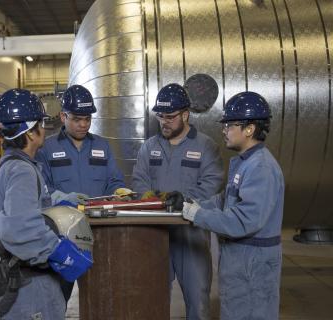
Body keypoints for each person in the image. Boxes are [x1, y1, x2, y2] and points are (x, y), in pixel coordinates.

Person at [0, 88, 92, 319]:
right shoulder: (22, 171)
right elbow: (21, 229)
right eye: (41, 123)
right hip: (29, 283)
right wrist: (60, 252)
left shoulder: (11, 164)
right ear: (30, 132)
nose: (44, 128)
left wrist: (54, 205)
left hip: (18, 278)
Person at [182, 91, 284, 319]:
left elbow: (243, 220)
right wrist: (190, 204)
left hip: (253, 263)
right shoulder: (245, 163)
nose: (224, 130)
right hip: (241, 260)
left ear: (249, 129)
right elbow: (223, 200)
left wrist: (196, 215)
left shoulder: (261, 168)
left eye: (230, 125)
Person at [132, 83, 224, 319]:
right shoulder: (149, 147)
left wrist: (183, 201)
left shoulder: (205, 146)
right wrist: (154, 201)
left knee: (198, 302)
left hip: (191, 234)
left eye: (171, 117)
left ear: (185, 114)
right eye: (161, 116)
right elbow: (139, 182)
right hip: (156, 234)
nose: (164, 122)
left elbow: (211, 184)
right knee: (151, 298)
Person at [36, 84, 131, 302]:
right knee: (58, 297)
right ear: (63, 116)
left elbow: (113, 180)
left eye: (87, 119)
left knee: (100, 296)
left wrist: (119, 191)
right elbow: (43, 190)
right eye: (77, 119)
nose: (83, 124)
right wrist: (62, 198)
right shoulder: (47, 149)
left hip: (99, 230)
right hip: (64, 234)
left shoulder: (102, 146)